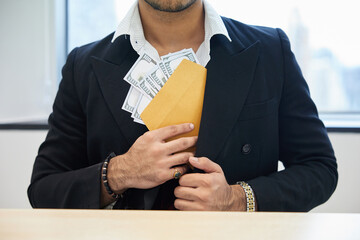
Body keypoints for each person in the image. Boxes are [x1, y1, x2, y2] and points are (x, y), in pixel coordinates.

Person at [28, 0, 338, 211]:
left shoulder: (271, 52)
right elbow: (43, 189)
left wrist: (236, 198)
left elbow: (319, 169)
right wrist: (119, 173)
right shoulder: (83, 66)